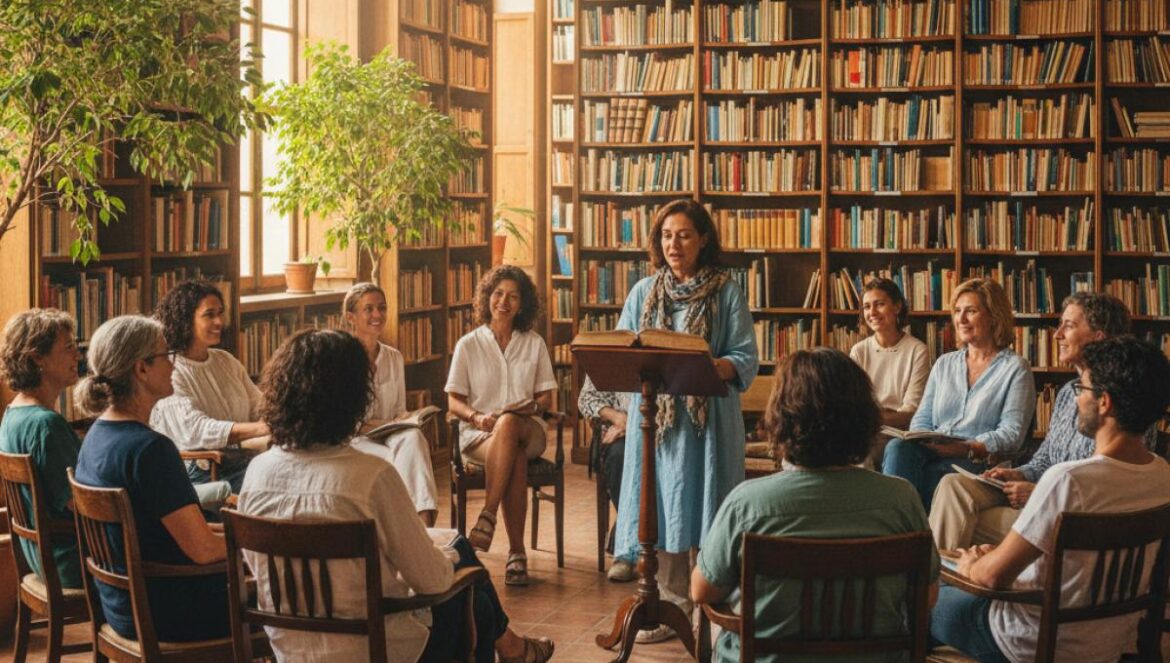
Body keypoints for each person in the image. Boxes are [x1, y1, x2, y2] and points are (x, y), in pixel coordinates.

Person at [238, 329, 553, 663]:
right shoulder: (371, 477)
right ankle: (515, 650)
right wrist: (450, 560)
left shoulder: (257, 473)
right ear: (353, 398)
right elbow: (431, 581)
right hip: (374, 648)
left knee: (458, 564)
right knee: (472, 601)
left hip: (289, 648)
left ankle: (515, 649)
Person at [692, 347, 939, 663]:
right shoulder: (901, 499)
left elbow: (702, 591)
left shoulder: (748, 503)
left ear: (782, 417)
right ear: (863, 418)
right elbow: (927, 597)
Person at [932, 336, 1170, 663]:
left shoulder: (1069, 479)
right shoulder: (1163, 476)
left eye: (1081, 389)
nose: (1075, 401)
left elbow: (991, 578)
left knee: (923, 596)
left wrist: (972, 564)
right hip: (1111, 643)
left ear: (1105, 402)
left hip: (1031, 642)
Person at [611, 198, 759, 642]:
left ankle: (712, 607)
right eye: (666, 235)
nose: (674, 244)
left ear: (704, 240)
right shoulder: (643, 292)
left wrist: (708, 365)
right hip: (656, 424)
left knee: (707, 505)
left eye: (684, 235)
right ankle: (667, 604)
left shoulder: (726, 291)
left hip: (708, 422)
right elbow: (623, 350)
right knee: (661, 507)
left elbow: (745, 358)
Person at [930, 293, 1149, 551]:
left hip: (1072, 519)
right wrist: (1018, 473)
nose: (1057, 335)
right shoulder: (1068, 392)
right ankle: (946, 581)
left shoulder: (1127, 396)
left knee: (965, 519)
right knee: (954, 486)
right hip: (1042, 495)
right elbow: (1045, 459)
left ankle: (935, 582)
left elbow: (1111, 486)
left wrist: (1039, 492)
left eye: (1068, 326)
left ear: (1097, 338)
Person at [73, 315, 229, 642]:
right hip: (169, 611)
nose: (174, 365)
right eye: (166, 356)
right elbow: (203, 551)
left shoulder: (95, 437)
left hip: (122, 607)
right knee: (296, 592)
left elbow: (167, 529)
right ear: (141, 369)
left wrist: (235, 529)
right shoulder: (151, 450)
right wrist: (260, 543)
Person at [445, 265, 556, 586]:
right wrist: (477, 417)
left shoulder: (533, 343)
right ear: (487, 298)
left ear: (523, 304)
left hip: (529, 429)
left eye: (513, 296)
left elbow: (546, 398)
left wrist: (530, 407)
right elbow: (454, 401)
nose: (503, 301)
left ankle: (487, 515)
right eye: (497, 294)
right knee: (514, 457)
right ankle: (516, 554)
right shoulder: (469, 344)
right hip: (480, 434)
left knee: (510, 424)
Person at [883, 278, 1035, 510]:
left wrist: (968, 447)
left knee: (932, 476)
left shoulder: (1015, 368)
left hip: (977, 460)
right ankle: (901, 532)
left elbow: (1012, 433)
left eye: (971, 311)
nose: (961, 320)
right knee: (897, 447)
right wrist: (922, 439)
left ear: (994, 316)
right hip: (934, 451)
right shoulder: (944, 364)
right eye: (957, 311)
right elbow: (922, 419)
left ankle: (905, 535)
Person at [151, 280, 267, 493]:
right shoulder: (169, 370)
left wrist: (285, 418)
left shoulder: (225, 360)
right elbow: (195, 430)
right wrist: (262, 428)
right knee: (280, 479)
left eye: (221, 313)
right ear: (185, 320)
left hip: (238, 459)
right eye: (209, 315)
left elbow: (259, 405)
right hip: (200, 472)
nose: (219, 321)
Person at [342, 282, 439, 526]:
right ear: (350, 317)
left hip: (390, 434)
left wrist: (407, 420)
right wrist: (391, 423)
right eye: (369, 309)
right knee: (399, 462)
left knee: (415, 439)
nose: (378, 315)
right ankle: (411, 531)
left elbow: (398, 411)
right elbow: (348, 424)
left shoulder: (393, 357)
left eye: (382, 308)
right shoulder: (341, 357)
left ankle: (424, 526)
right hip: (356, 441)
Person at [0, 309, 83, 588]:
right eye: (68, 348)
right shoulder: (46, 425)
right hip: (73, 561)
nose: (78, 355)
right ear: (38, 358)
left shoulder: (13, 414)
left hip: (40, 557)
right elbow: (81, 504)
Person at [849, 277, 931, 468]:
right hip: (864, 432)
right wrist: (881, 415)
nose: (872, 313)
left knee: (860, 450)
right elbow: (853, 406)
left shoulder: (917, 351)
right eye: (867, 307)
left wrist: (867, 416)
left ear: (897, 307)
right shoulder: (859, 351)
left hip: (898, 434)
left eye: (880, 304)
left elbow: (910, 414)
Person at [577, 375, 634, 582]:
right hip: (620, 430)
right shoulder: (610, 344)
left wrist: (634, 424)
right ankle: (627, 552)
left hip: (662, 427)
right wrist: (619, 418)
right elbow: (587, 398)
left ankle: (626, 540)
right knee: (620, 456)